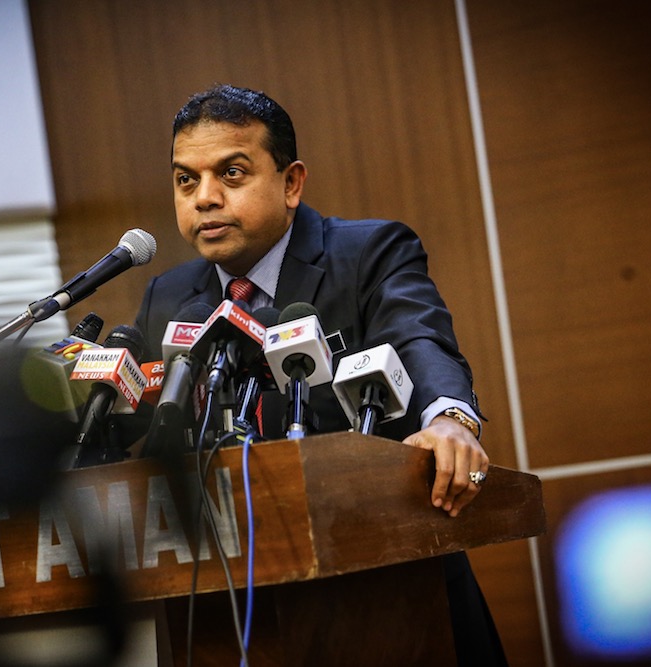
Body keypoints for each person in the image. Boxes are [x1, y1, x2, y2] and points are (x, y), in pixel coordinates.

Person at [133, 83, 506, 665]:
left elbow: (419, 338)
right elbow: (145, 427)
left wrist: (451, 419)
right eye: (187, 179)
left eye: (231, 174)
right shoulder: (168, 297)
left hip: (389, 594)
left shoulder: (368, 253)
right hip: (226, 616)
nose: (204, 198)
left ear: (291, 183)